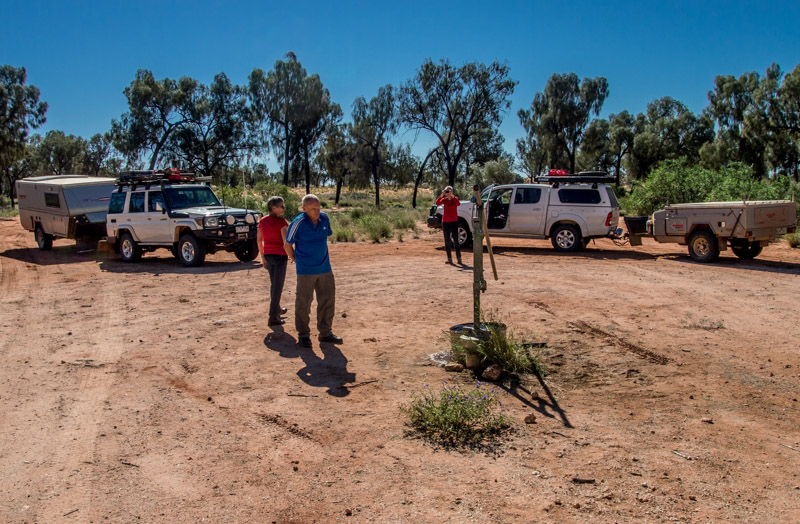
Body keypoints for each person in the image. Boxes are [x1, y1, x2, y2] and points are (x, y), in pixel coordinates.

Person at [284, 194, 342, 348]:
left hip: (325, 268)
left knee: (327, 300)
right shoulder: (298, 223)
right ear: (304, 209)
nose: (317, 212)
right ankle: (303, 335)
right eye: (313, 209)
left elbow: (326, 236)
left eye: (318, 208)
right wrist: (295, 259)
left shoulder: (324, 218)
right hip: (305, 271)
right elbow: (287, 244)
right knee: (303, 303)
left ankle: (325, 333)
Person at [257, 196, 290, 326]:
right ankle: (272, 317)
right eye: (281, 206)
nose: (283, 208)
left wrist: (262, 256)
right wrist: (292, 256)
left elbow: (259, 240)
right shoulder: (282, 222)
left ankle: (277, 309)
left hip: (269, 255)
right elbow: (285, 241)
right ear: (273, 208)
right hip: (280, 256)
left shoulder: (263, 221)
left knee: (274, 284)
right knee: (278, 286)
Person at [436, 185, 462, 265]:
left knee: (456, 241)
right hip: (446, 222)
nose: (448, 193)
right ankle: (449, 259)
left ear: (452, 191)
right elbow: (437, 203)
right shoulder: (444, 200)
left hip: (454, 222)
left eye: (449, 191)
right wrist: (442, 195)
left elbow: (458, 204)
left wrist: (452, 196)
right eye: (447, 191)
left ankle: (459, 258)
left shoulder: (455, 199)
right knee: (447, 241)